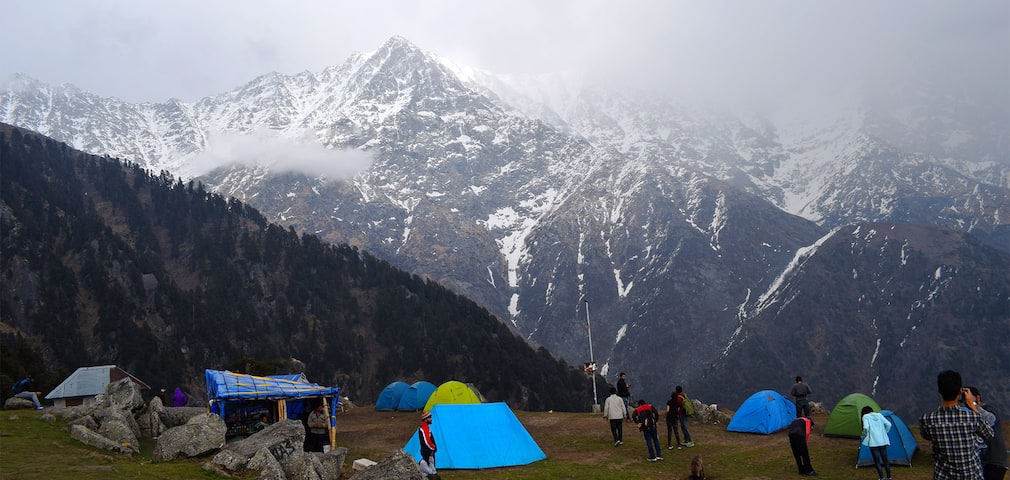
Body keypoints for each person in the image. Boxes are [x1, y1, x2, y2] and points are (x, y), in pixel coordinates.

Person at [919, 370, 993, 480]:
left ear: (939, 390)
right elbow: (989, 434)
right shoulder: (972, 418)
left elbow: (926, 436)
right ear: (960, 392)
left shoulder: (928, 420)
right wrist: (973, 408)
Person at [967, 386, 1007, 480]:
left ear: (977, 397)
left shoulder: (988, 409)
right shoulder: (969, 416)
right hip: (982, 462)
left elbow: (991, 420)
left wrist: (974, 406)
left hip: (994, 462)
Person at [861, 405, 892, 480]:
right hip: (883, 441)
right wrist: (885, 432)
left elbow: (865, 427)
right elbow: (889, 424)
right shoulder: (879, 415)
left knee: (877, 461)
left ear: (864, 412)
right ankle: (889, 477)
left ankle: (882, 478)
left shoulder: (865, 416)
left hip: (873, 442)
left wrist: (865, 434)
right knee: (885, 460)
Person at [417, 410, 440, 479]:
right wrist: (433, 448)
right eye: (430, 418)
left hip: (429, 451)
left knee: (432, 469)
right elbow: (426, 441)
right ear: (426, 419)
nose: (431, 419)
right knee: (429, 471)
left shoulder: (426, 427)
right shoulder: (424, 429)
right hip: (427, 451)